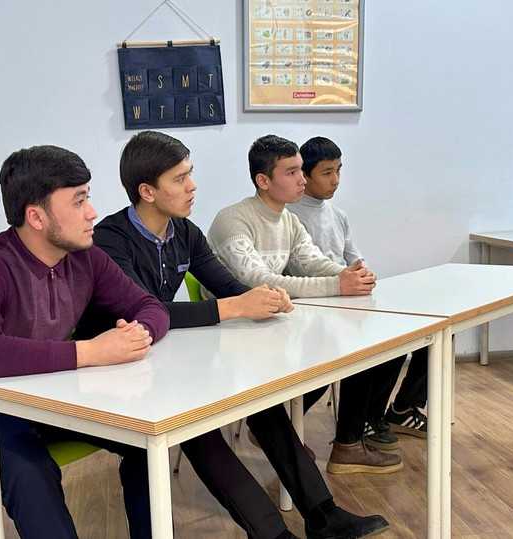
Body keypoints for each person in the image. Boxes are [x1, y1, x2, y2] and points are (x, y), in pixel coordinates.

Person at [76, 130, 389, 539]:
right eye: (180, 179)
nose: (192, 186)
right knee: (200, 425)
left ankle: (323, 514)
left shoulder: (184, 231)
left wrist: (264, 299)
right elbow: (143, 312)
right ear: (147, 191)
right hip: (112, 369)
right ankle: (271, 533)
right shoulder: (110, 240)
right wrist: (234, 306)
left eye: (191, 174)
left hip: (164, 357)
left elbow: (228, 287)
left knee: (261, 401)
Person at [0, 145, 170, 539]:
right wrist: (92, 351)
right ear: (36, 217)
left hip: (49, 394)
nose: (92, 212)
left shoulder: (85, 256)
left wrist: (137, 335)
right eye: (79, 201)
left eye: (88, 197)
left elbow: (149, 306)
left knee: (144, 441)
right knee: (29, 470)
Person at [207, 134, 402, 475]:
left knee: (361, 348)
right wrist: (337, 285)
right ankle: (274, 425)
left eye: (301, 171)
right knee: (337, 351)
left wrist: (348, 274)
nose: (301, 180)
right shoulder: (233, 220)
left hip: (273, 321)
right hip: (233, 332)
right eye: (292, 172)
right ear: (263, 181)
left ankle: (343, 443)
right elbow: (259, 280)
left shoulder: (289, 220)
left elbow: (311, 261)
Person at [289, 136, 427, 442]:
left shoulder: (338, 215)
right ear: (305, 175)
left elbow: (356, 260)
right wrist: (346, 280)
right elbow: (299, 271)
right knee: (369, 347)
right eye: (326, 172)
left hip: (347, 301)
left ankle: (389, 412)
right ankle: (360, 421)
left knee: (411, 337)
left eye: (339, 170)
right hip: (316, 308)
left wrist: (364, 275)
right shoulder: (291, 217)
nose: (335, 180)